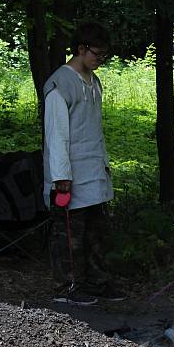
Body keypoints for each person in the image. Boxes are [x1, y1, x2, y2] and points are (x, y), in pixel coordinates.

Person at [43, 22, 125, 306]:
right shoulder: (59, 85)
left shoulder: (94, 82)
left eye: (104, 55)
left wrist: (103, 164)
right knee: (69, 235)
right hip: (69, 174)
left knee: (95, 232)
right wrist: (61, 176)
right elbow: (57, 136)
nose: (100, 60)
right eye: (97, 54)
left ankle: (97, 281)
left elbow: (93, 128)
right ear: (80, 49)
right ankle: (66, 287)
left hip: (93, 171)